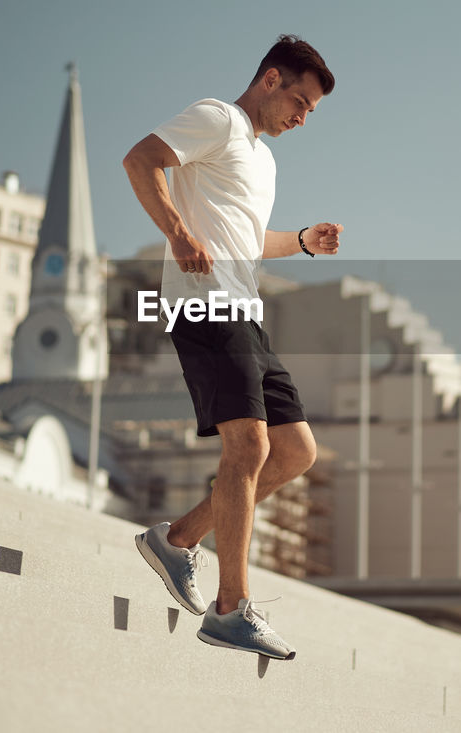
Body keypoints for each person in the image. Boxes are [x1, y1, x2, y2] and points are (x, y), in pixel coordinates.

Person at [123, 35, 342, 660]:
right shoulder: (217, 118)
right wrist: (177, 231)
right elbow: (141, 160)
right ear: (270, 80)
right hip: (204, 304)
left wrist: (300, 240)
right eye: (298, 101)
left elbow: (245, 236)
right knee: (249, 443)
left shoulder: (264, 161)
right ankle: (231, 608)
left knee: (295, 451)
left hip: (243, 308)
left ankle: (179, 540)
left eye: (310, 112)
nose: (301, 118)